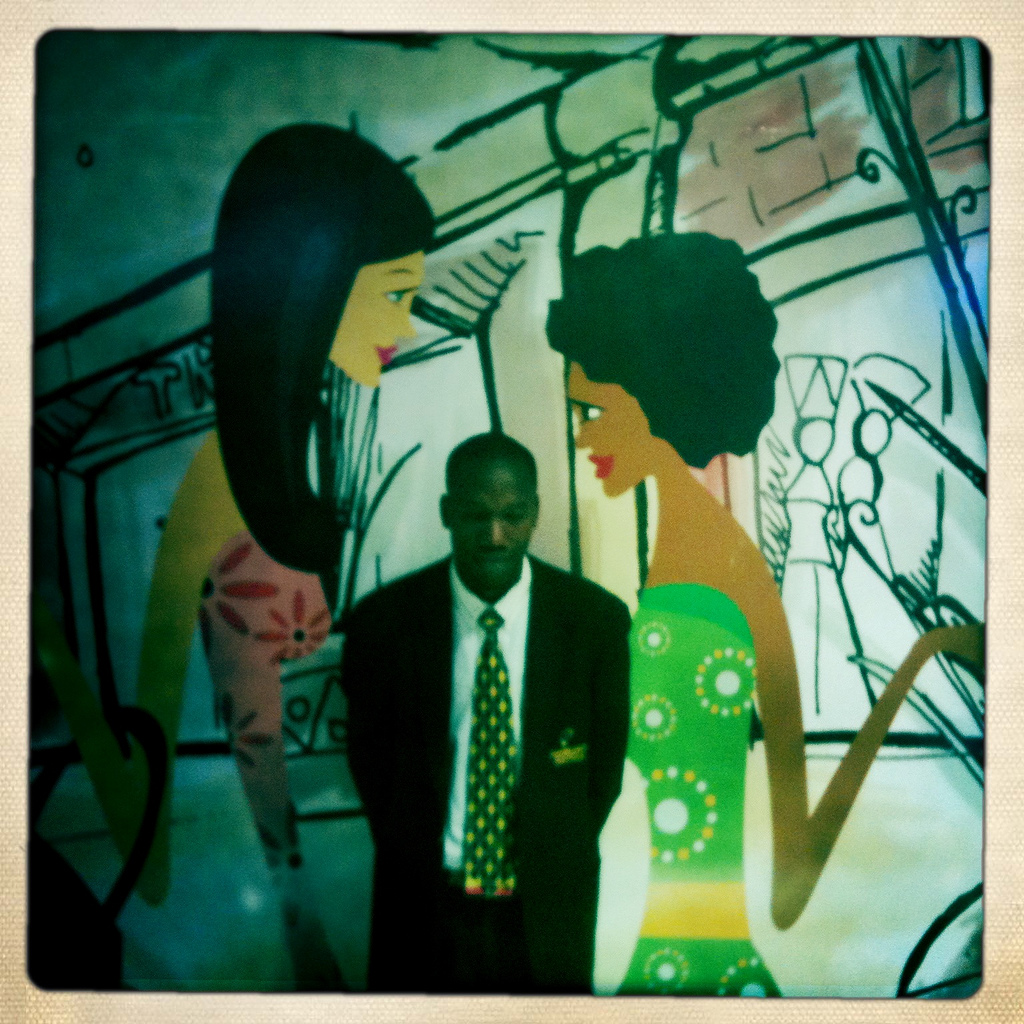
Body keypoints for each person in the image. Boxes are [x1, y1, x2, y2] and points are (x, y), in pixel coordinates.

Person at [45, 123, 433, 988]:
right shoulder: (214, 492)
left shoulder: (329, 447)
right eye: (393, 294)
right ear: (315, 287)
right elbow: (163, 774)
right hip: (282, 921)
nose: (405, 326)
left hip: (372, 889)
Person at [546, 231, 984, 995]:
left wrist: (923, 654)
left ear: (656, 396)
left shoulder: (724, 565)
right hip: (670, 963)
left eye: (595, 409)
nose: (582, 435)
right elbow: (791, 874)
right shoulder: (690, 556)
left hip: (694, 971)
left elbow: (793, 870)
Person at [340, 432, 632, 993]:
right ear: (447, 513)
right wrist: (414, 849)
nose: (495, 535)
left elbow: (602, 776)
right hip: (425, 907)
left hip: (546, 909)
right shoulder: (384, 625)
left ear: (534, 514)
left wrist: (549, 850)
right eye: (477, 515)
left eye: (512, 516)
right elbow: (370, 764)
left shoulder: (594, 623)